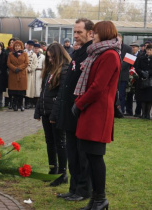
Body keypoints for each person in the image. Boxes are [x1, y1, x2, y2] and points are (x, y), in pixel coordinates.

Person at [73, 21, 121, 210]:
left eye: (95, 32)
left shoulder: (109, 55)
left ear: (104, 33)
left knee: (95, 156)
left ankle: (101, 199)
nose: (92, 35)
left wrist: (79, 104)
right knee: (91, 155)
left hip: (98, 112)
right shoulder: (99, 53)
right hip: (92, 110)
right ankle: (96, 198)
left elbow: (98, 87)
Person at [56, 18, 94, 202]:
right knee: (72, 153)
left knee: (82, 154)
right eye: (75, 32)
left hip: (81, 113)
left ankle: (83, 190)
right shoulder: (77, 53)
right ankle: (73, 188)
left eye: (79, 32)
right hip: (69, 113)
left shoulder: (91, 54)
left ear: (90, 33)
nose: (76, 35)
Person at [34, 43, 70, 186]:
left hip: (55, 113)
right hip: (46, 111)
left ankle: (62, 173)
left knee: (60, 142)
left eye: (52, 57)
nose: (50, 60)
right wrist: (39, 111)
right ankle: (52, 169)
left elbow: (61, 96)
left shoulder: (65, 70)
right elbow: (43, 93)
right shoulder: (50, 70)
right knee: (50, 142)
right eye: (48, 57)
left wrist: (54, 115)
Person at [7, 40, 29, 111]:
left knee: (21, 91)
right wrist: (14, 68)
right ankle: (15, 104)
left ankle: (21, 105)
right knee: (14, 91)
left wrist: (19, 68)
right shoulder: (10, 54)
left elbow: (26, 63)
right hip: (13, 74)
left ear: (21, 47)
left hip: (21, 74)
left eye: (18, 46)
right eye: (16, 46)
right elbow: (8, 63)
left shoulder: (25, 54)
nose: (17, 47)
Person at [134, 43, 152, 119]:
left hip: (151, 80)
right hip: (142, 80)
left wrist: (149, 73)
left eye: (150, 50)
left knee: (150, 98)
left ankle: (148, 114)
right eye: (147, 49)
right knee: (143, 98)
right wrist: (142, 73)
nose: (148, 51)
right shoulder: (141, 58)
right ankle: (143, 113)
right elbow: (137, 67)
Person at [117, 33, 132, 115]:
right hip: (114, 76)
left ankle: (121, 110)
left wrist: (117, 67)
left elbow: (129, 61)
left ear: (121, 38)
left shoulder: (128, 48)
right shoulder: (112, 48)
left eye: (118, 38)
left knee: (122, 94)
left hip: (123, 75)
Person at [24, 40, 38, 109]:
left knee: (29, 89)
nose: (30, 47)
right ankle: (20, 103)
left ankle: (27, 103)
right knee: (22, 88)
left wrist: (30, 69)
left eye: (31, 46)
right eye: (29, 45)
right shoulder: (23, 52)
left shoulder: (34, 54)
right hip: (22, 73)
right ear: (26, 45)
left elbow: (35, 64)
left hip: (29, 73)